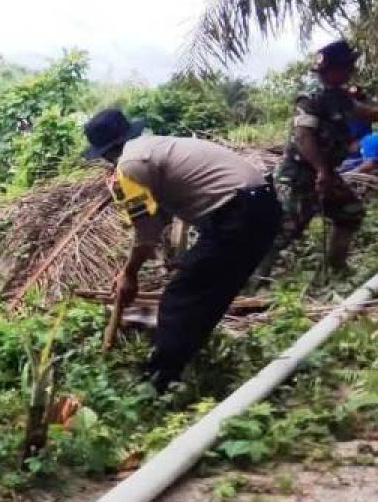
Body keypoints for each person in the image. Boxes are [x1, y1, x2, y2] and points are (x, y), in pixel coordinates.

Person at [83, 108, 282, 391]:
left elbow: (147, 232)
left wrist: (129, 274)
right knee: (205, 294)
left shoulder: (130, 165)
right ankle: (181, 368)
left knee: (180, 298)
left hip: (238, 214)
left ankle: (157, 381)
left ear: (106, 151)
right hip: (260, 207)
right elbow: (161, 217)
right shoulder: (154, 148)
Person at [270, 40, 378, 272]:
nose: (351, 70)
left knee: (350, 212)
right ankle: (249, 280)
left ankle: (336, 266)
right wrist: (321, 170)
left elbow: (367, 112)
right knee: (285, 231)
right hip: (299, 176)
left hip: (326, 173)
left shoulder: (340, 98)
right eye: (347, 66)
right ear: (333, 70)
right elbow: (303, 138)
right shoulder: (310, 100)